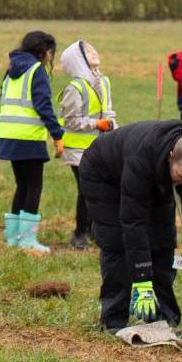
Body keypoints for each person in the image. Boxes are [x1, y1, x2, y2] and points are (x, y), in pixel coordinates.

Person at [78, 119, 182, 332]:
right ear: (171, 158)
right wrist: (142, 280)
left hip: (153, 174)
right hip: (103, 175)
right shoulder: (141, 159)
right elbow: (133, 221)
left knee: (163, 239)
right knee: (117, 241)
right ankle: (113, 321)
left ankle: (164, 321)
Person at [0, 30, 64, 254]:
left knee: (22, 185)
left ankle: (13, 238)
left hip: (9, 135)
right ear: (45, 52)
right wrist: (57, 135)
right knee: (34, 186)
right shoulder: (36, 71)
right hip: (28, 137)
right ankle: (27, 240)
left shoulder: (12, 69)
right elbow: (43, 106)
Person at [57, 40, 116, 250]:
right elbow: (71, 120)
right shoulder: (75, 87)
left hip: (99, 147)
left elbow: (108, 112)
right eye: (87, 51)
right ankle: (79, 234)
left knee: (98, 190)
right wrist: (96, 124)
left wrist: (115, 132)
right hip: (77, 150)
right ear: (78, 59)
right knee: (86, 190)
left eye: (93, 48)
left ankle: (93, 231)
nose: (93, 52)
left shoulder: (104, 82)